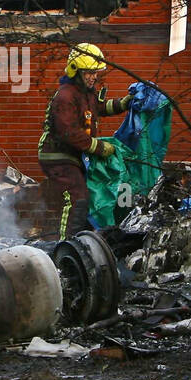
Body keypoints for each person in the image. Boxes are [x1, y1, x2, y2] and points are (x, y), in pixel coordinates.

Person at [37, 43, 132, 240]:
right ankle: (65, 246)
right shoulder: (66, 96)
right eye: (89, 72)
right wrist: (98, 147)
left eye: (95, 72)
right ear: (76, 71)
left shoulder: (85, 93)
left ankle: (83, 238)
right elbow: (68, 132)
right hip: (58, 155)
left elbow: (98, 107)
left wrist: (123, 104)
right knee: (77, 197)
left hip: (75, 155)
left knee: (90, 196)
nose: (94, 76)